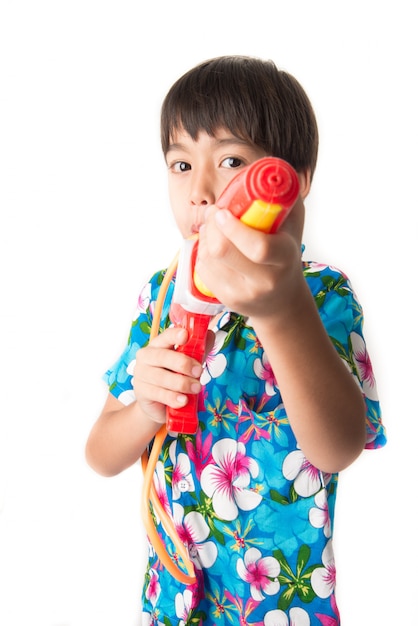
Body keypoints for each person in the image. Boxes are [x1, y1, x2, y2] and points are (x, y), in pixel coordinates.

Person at [85, 55, 386, 625]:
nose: (199, 190)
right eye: (179, 164)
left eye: (229, 160)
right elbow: (101, 452)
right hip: (172, 605)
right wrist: (146, 409)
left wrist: (282, 312)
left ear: (289, 182)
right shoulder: (160, 294)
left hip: (277, 606)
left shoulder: (320, 293)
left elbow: (338, 446)